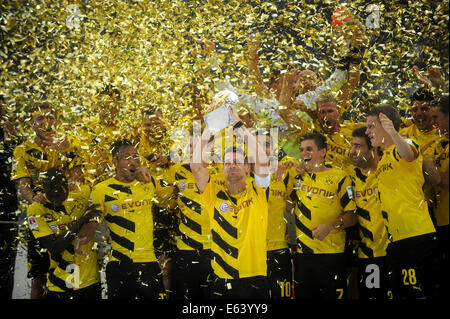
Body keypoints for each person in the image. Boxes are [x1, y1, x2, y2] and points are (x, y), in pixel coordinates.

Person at [190, 107, 271, 299]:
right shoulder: (212, 192)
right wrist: (209, 126)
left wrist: (237, 124)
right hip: (222, 277)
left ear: (247, 167)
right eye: (227, 163)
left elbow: (261, 158)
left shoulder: (259, 190)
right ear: (223, 169)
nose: (232, 165)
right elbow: (195, 165)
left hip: (255, 277)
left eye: (237, 161)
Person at [75, 139, 168, 299]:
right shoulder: (101, 189)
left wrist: (164, 164)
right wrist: (84, 237)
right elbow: (93, 219)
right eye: (127, 157)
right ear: (115, 162)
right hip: (119, 264)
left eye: (135, 156)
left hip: (149, 262)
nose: (133, 161)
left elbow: (171, 196)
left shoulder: (148, 182)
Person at [365, 104, 440, 299]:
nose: (367, 131)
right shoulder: (381, 162)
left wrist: (392, 133)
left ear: (386, 124)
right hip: (396, 242)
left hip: (417, 236)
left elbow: (408, 154)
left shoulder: (407, 143)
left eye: (371, 126)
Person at [11, 101, 82, 299]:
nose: (46, 122)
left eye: (50, 117)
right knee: (39, 278)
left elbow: (78, 177)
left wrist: (63, 195)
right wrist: (35, 197)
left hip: (67, 217)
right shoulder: (22, 149)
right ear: (31, 123)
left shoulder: (70, 143)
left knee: (70, 273)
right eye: (40, 118)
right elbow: (23, 184)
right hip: (39, 218)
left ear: (57, 120)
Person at [290, 132, 357, 299]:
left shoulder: (339, 177)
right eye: (301, 150)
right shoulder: (295, 177)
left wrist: (331, 225)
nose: (304, 153)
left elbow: (353, 215)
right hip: (303, 256)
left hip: (332, 255)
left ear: (322, 151)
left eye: (309, 149)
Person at [27, 168, 101, 299]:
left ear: (66, 185)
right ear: (43, 188)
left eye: (59, 194)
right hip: (60, 282)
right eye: (51, 195)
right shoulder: (36, 209)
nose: (56, 199)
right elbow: (54, 248)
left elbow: (101, 195)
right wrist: (80, 222)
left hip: (89, 280)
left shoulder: (83, 192)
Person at [165, 134, 214, 299]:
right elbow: (156, 191)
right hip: (186, 250)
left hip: (216, 250)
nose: (195, 150)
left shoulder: (222, 171)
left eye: (200, 145)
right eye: (191, 146)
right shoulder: (177, 171)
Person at [255, 130, 297, 299]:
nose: (262, 149)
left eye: (266, 144)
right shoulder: (243, 174)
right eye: (257, 144)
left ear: (274, 149)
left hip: (279, 249)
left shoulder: (285, 173)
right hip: (251, 250)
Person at [348, 127, 388, 299]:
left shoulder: (389, 169)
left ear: (373, 147)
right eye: (352, 146)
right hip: (369, 256)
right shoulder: (349, 177)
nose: (352, 151)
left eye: (358, 146)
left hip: (396, 251)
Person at [0, 95, 20, 298]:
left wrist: (10, 144)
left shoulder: (12, 135)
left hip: (6, 215)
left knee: (6, 271)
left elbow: (16, 172)